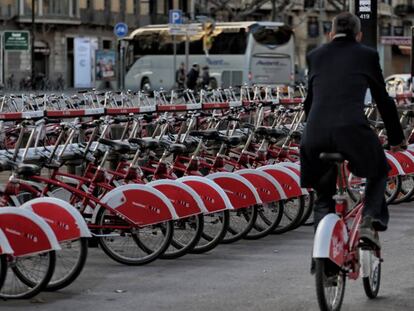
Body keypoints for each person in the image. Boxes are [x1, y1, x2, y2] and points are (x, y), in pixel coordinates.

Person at [300, 12, 405, 251]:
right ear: (358, 35)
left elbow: (310, 101)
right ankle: (369, 220)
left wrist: (310, 129)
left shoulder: (315, 56)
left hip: (314, 135)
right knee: (379, 170)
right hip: (351, 131)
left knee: (323, 196)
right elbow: (383, 100)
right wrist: (396, 139)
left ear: (330, 33)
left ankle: (324, 259)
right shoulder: (366, 55)